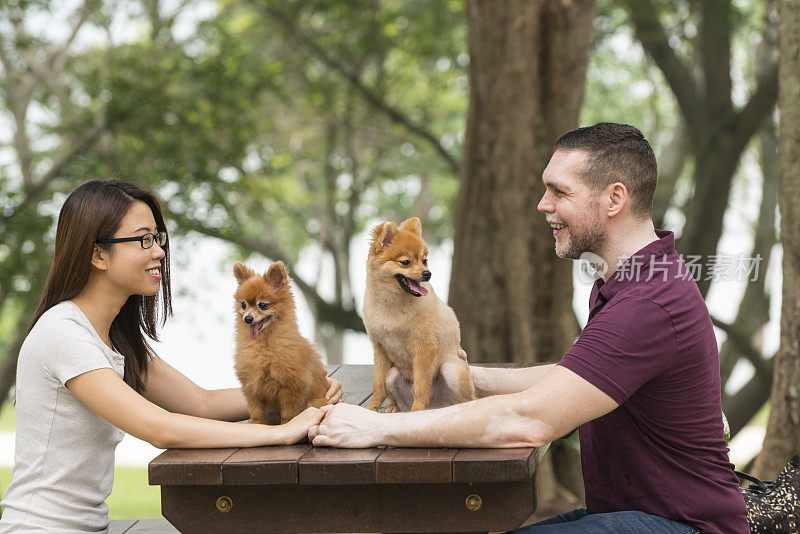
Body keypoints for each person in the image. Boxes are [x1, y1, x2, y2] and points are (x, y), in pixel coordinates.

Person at [308, 123, 749, 533]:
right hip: (635, 514)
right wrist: (465, 374)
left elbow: (528, 421)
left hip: (682, 524)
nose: (544, 205)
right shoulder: (632, 279)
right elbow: (573, 379)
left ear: (615, 199)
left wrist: (372, 428)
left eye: (559, 192)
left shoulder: (648, 303)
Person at [0, 180, 343, 533]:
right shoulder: (63, 333)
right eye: (144, 239)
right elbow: (157, 428)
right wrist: (281, 432)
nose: (160, 251)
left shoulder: (115, 337)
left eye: (158, 238)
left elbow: (201, 403)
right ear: (97, 254)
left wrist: (303, 390)